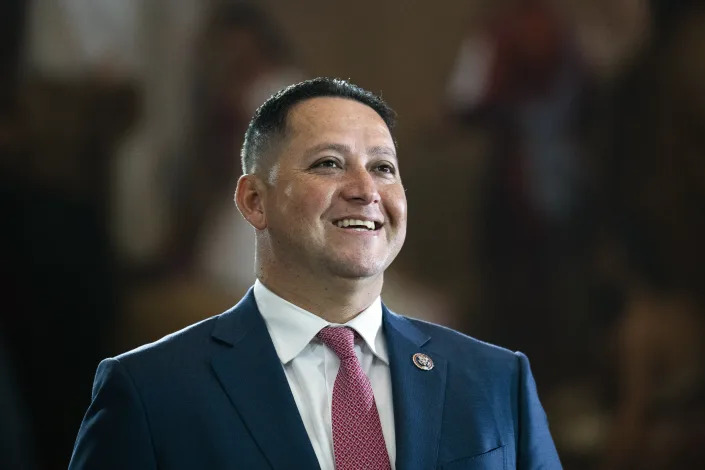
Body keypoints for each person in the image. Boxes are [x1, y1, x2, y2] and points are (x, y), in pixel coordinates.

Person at [69, 77, 561, 469]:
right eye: (329, 164)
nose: (366, 189)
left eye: (384, 167)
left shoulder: (497, 381)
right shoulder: (150, 391)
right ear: (254, 201)